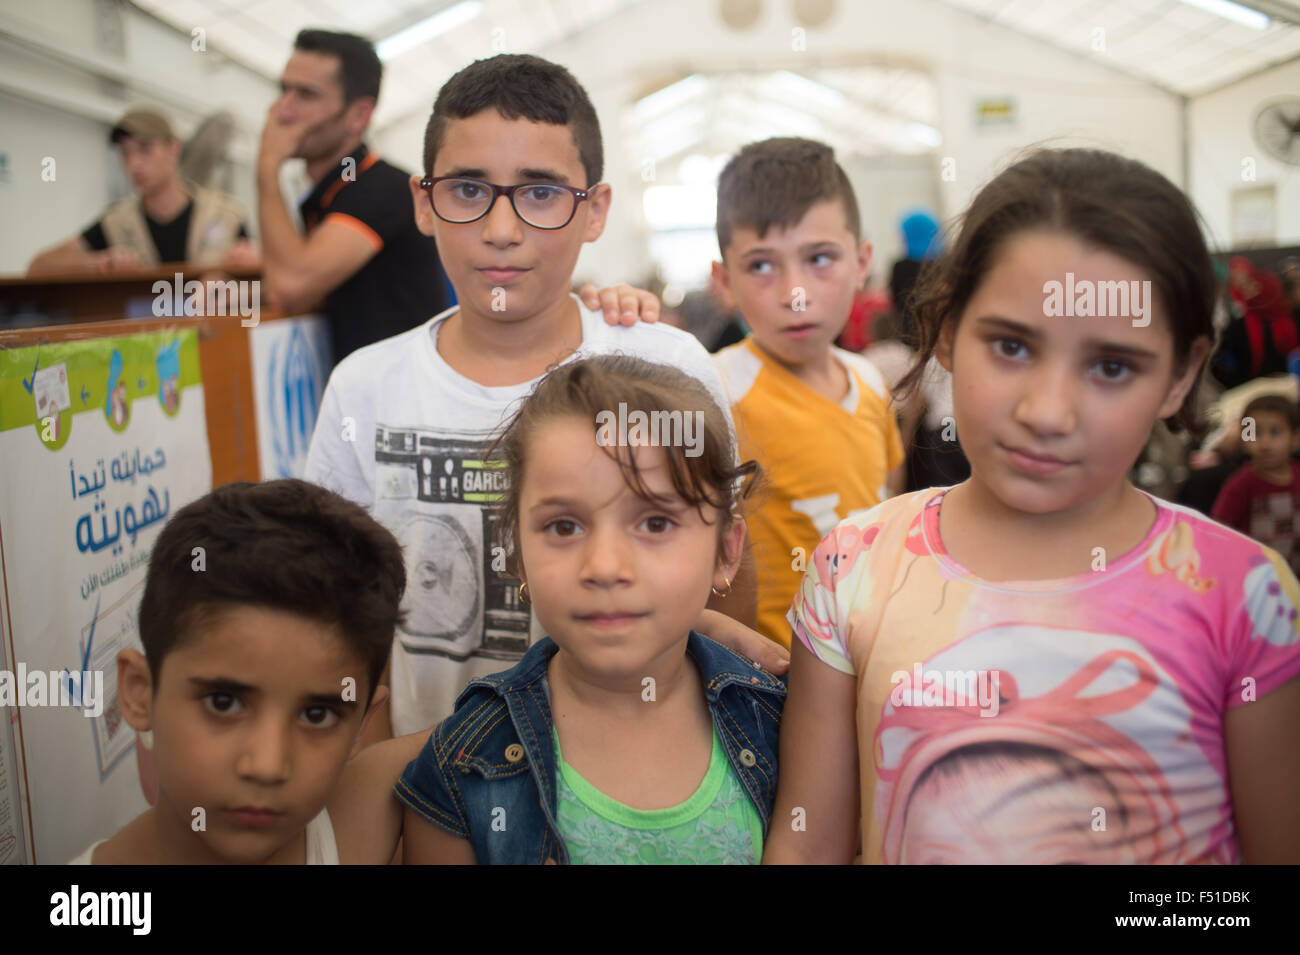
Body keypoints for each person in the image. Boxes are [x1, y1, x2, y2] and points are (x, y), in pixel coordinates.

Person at [764, 148, 1300, 865]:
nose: (1048, 411)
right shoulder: (852, 570)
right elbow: (808, 841)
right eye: (1012, 345)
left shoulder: (1246, 595)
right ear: (948, 333)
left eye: (1111, 366)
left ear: (1180, 376)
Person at [304, 53, 777, 744]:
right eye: (468, 189)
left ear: (595, 211)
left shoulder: (662, 363)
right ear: (423, 203)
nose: (501, 228)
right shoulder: (364, 385)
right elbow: (336, 606)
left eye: (542, 193)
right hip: (425, 778)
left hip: (641, 765)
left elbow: (724, 567)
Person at [397, 356, 785, 864]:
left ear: (726, 551)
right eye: (564, 527)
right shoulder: (464, 763)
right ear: (516, 550)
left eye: (655, 524)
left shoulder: (782, 724)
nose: (604, 566)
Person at [69, 480, 426, 864]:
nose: (268, 765)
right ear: (139, 692)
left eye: (317, 714)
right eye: (223, 703)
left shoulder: (359, 820)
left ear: (361, 724)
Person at [710, 137, 904, 647]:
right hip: (760, 685)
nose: (795, 292)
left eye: (820, 258)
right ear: (723, 280)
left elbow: (890, 502)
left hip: (871, 656)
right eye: (761, 265)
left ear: (862, 262)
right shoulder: (714, 390)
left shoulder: (870, 381)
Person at [255, 30, 457, 365]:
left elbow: (289, 288)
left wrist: (266, 167)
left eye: (305, 95)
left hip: (404, 407)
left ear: (359, 115)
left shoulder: (382, 188)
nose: (282, 112)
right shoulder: (334, 192)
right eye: (284, 90)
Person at [28, 108, 255, 276]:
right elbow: (39, 267)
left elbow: (263, 283)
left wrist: (252, 263)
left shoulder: (226, 216)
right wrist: (100, 261)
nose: (134, 164)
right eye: (125, 153)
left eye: (145, 149)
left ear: (174, 149)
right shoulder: (117, 222)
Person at [1212, 395, 1300, 574]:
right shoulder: (1241, 485)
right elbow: (1218, 531)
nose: (1265, 443)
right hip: (1256, 579)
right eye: (1255, 433)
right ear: (1244, 437)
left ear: (1296, 438)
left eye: (1275, 432)